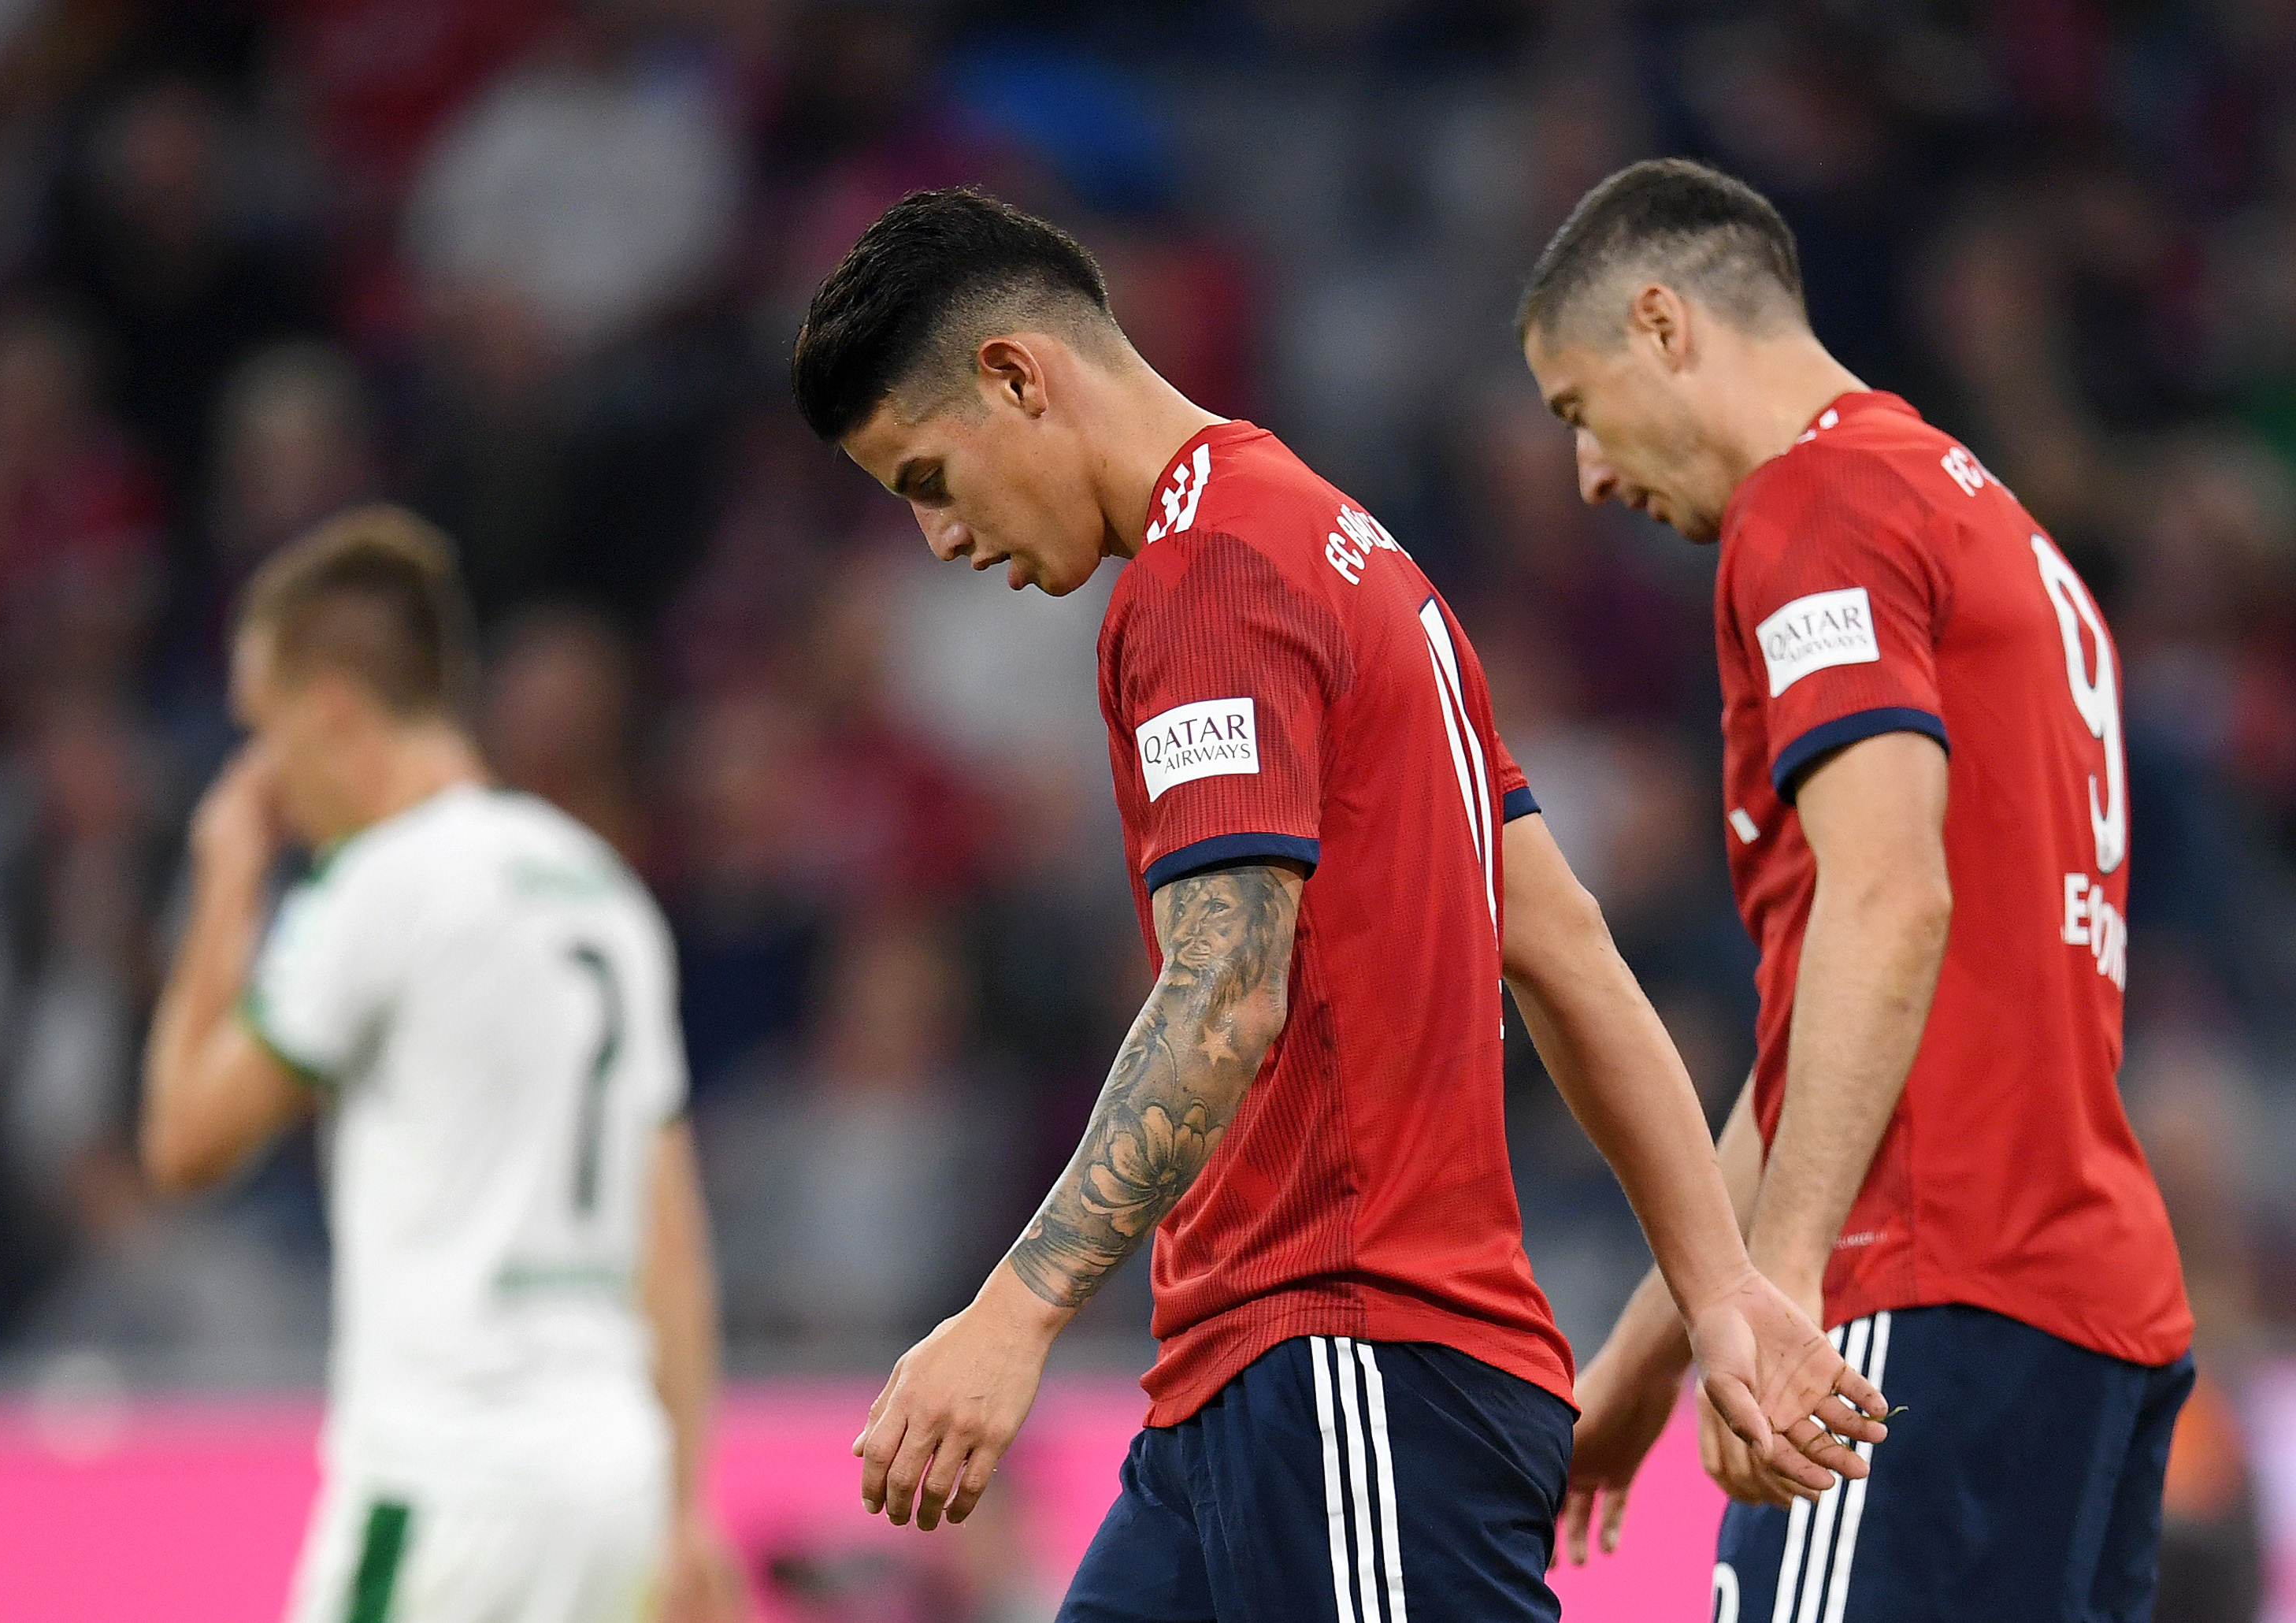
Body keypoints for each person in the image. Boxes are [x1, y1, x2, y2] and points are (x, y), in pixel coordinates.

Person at [791, 186, 1886, 1623]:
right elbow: (1562, 952)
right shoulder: (1349, 551)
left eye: (928, 478)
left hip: (1352, 1360)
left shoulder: (1208, 581)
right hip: (1245, 1388)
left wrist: (1014, 1314)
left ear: (1015, 374)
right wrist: (1721, 1290)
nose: (939, 538)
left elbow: (1226, 988)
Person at [1518, 158, 2194, 1622]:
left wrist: (1774, 1300)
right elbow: (1843, 1017)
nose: (1589, 476)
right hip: (2082, 1311)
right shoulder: (1975, 512)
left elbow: (1890, 907)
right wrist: (1649, 1357)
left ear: (1662, 324)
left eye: (1577, 409)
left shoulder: (1813, 507)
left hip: (1928, 1293)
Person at [139, 507, 747, 1623]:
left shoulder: (379, 887)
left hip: (446, 1486)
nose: (260, 773)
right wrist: (687, 1500)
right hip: (608, 1476)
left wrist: (226, 878)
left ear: (327, 712)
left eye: (262, 729)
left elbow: (183, 1142)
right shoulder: (599, 889)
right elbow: (667, 1227)